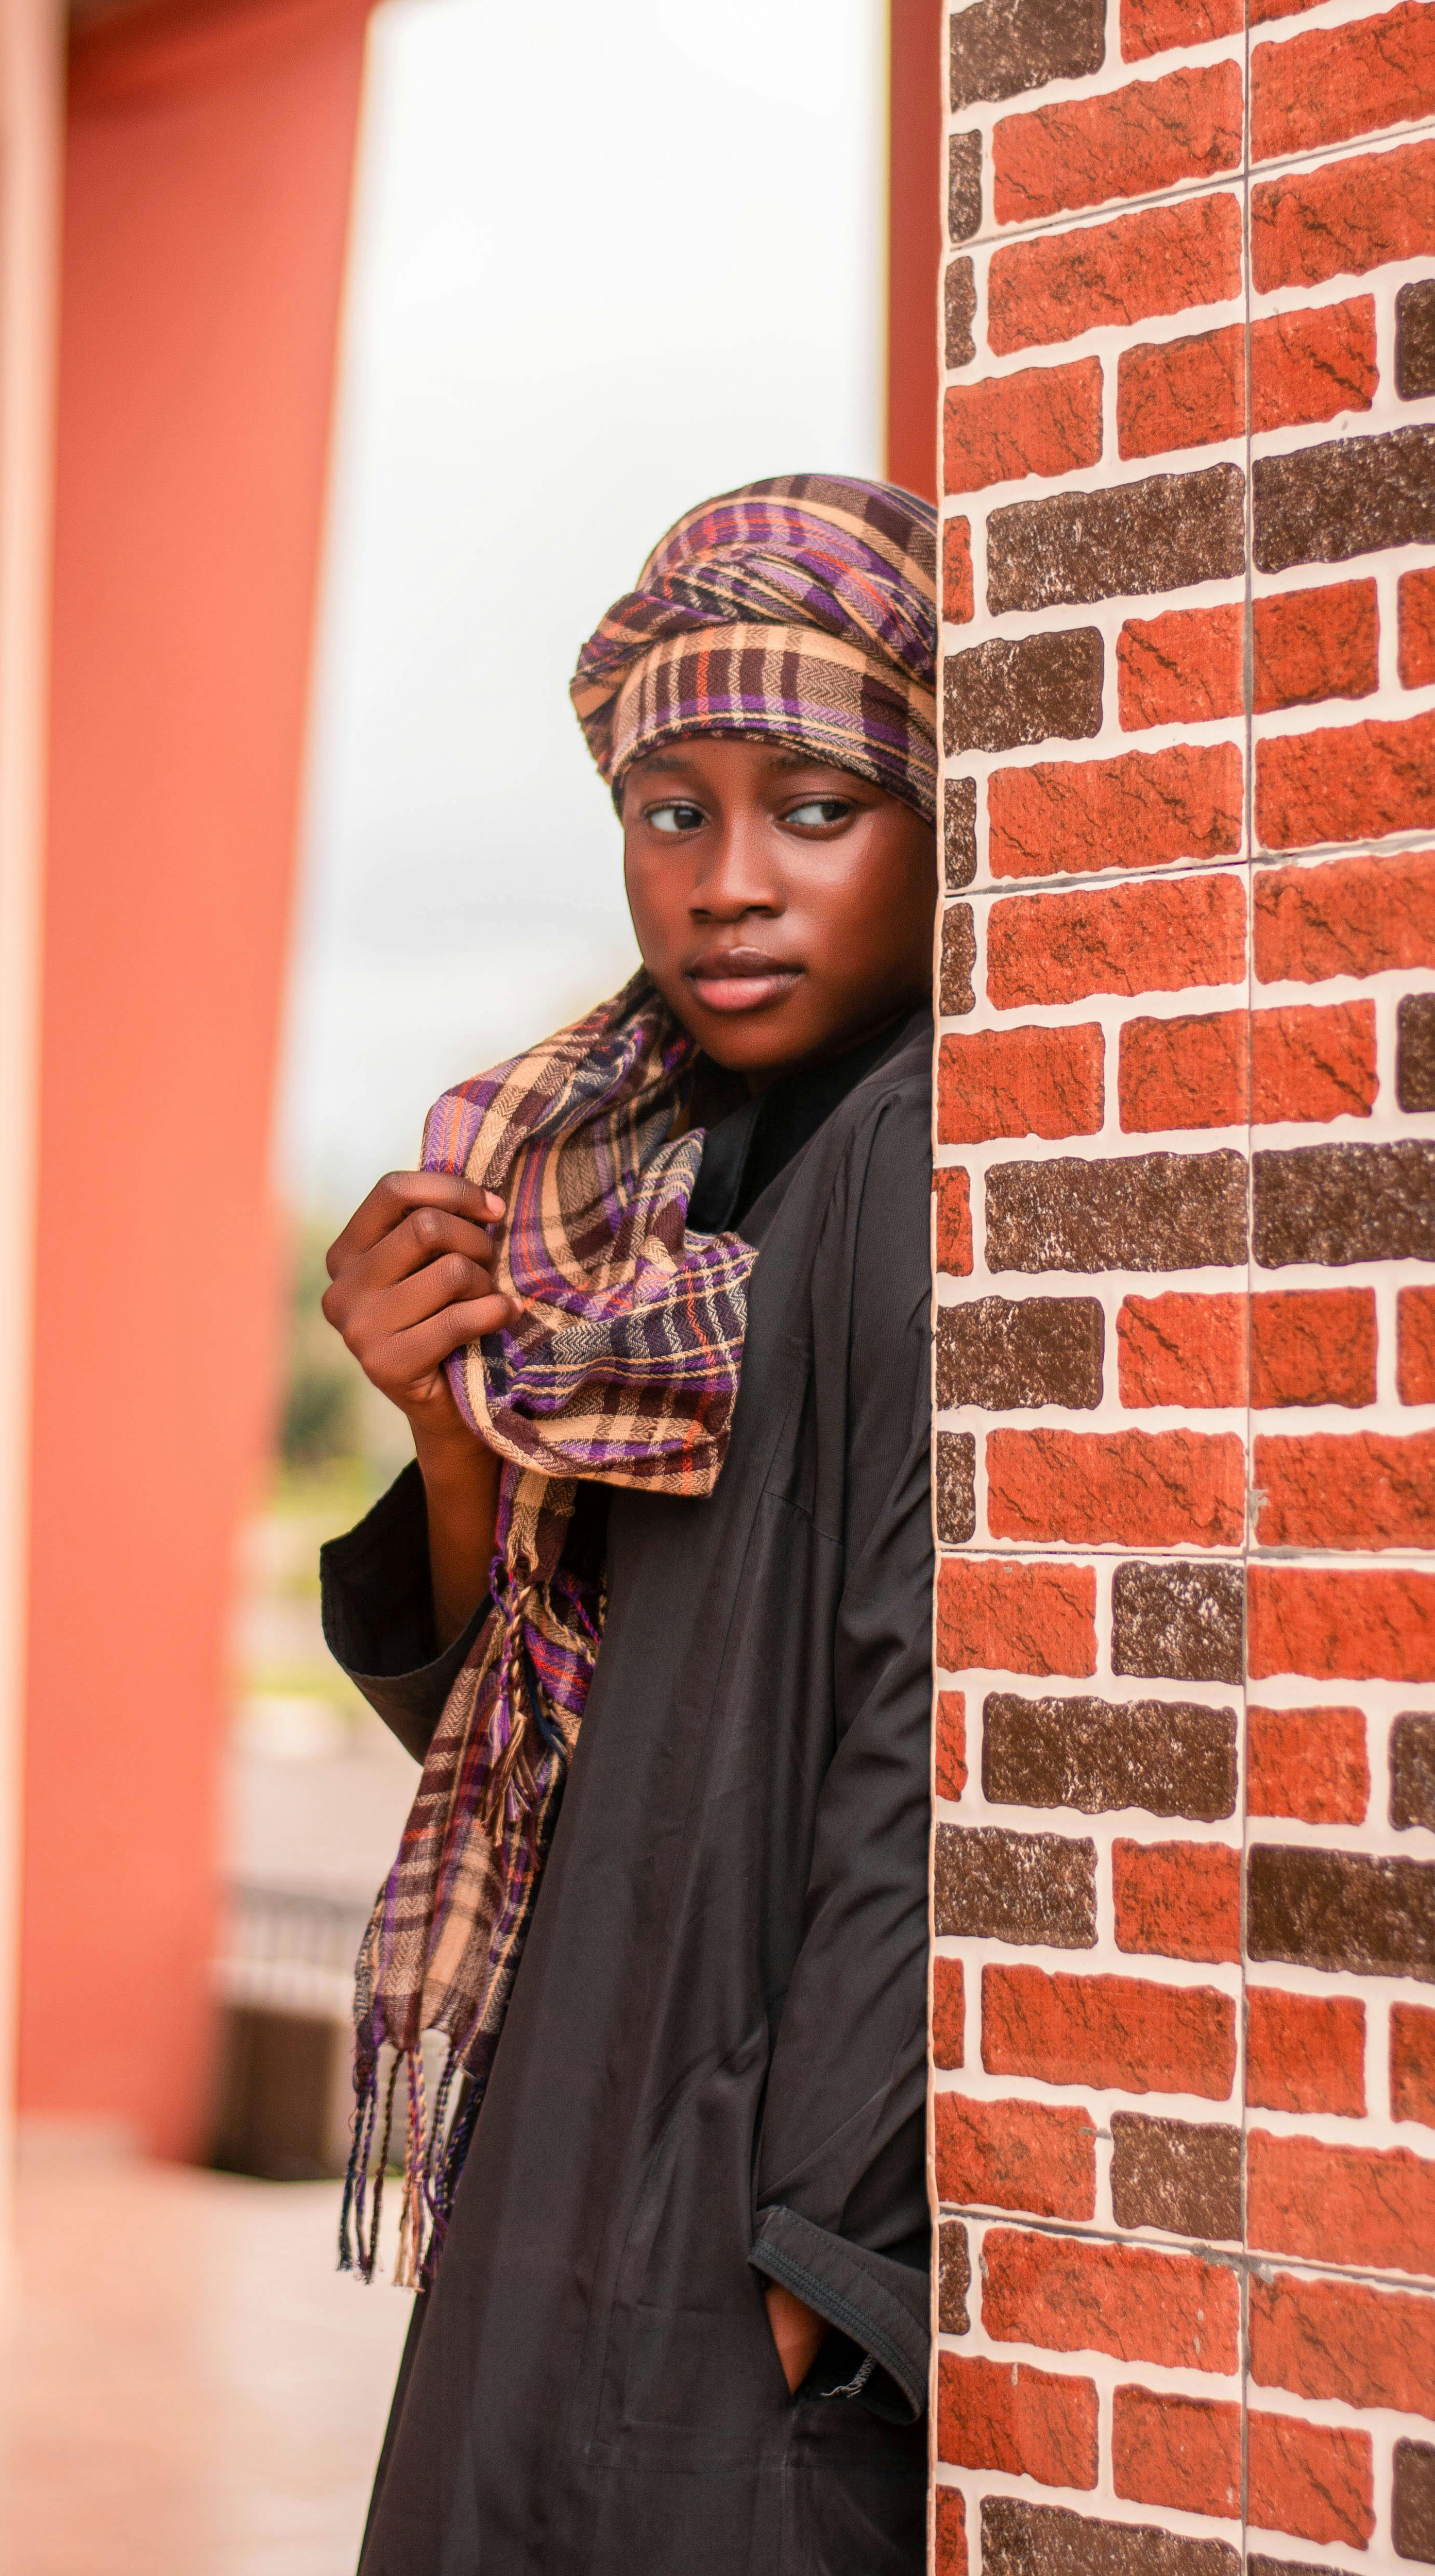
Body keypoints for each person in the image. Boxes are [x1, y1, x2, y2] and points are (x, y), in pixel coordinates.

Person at [317, 474, 938, 2574]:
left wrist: (808, 2274)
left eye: (815, 806)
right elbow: (548, 1746)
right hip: (577, 2150)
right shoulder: (628, 1188)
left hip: (734, 2240)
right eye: (670, 811)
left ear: (945, 813)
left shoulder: (913, 1152)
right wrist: (448, 1411)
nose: (729, 884)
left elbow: (922, 1725)